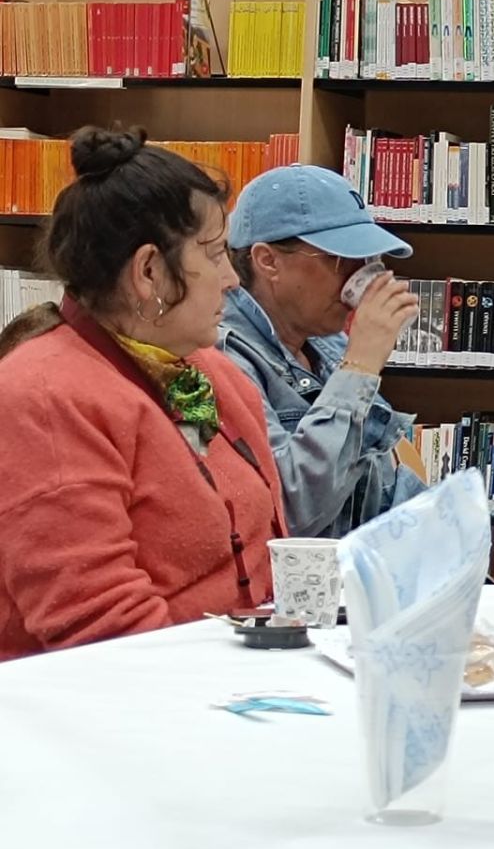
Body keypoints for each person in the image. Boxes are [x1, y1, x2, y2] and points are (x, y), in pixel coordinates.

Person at [0, 126, 285, 660]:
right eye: (217, 253)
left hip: (236, 683)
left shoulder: (217, 375)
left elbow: (271, 561)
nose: (234, 280)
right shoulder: (43, 397)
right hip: (118, 713)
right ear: (149, 271)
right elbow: (103, 635)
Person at [218, 165, 425, 537]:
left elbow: (382, 492)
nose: (361, 278)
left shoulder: (325, 347)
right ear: (268, 261)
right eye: (341, 260)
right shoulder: (224, 356)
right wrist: (360, 367)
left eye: (369, 261)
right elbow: (292, 512)